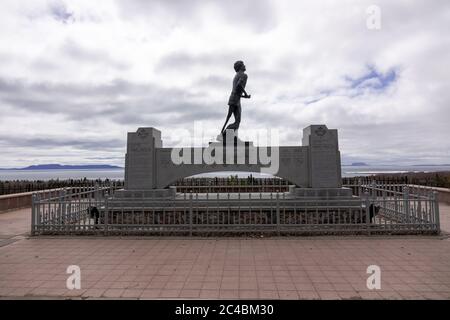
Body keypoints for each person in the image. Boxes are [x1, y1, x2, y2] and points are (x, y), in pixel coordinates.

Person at [219, 60, 251, 140]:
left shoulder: (236, 75)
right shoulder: (244, 75)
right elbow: (239, 86)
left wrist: (244, 96)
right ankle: (224, 134)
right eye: (243, 65)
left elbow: (237, 91)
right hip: (235, 99)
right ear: (240, 67)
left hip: (235, 98)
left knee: (234, 119)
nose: (245, 66)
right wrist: (246, 94)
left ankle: (231, 136)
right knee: (237, 122)